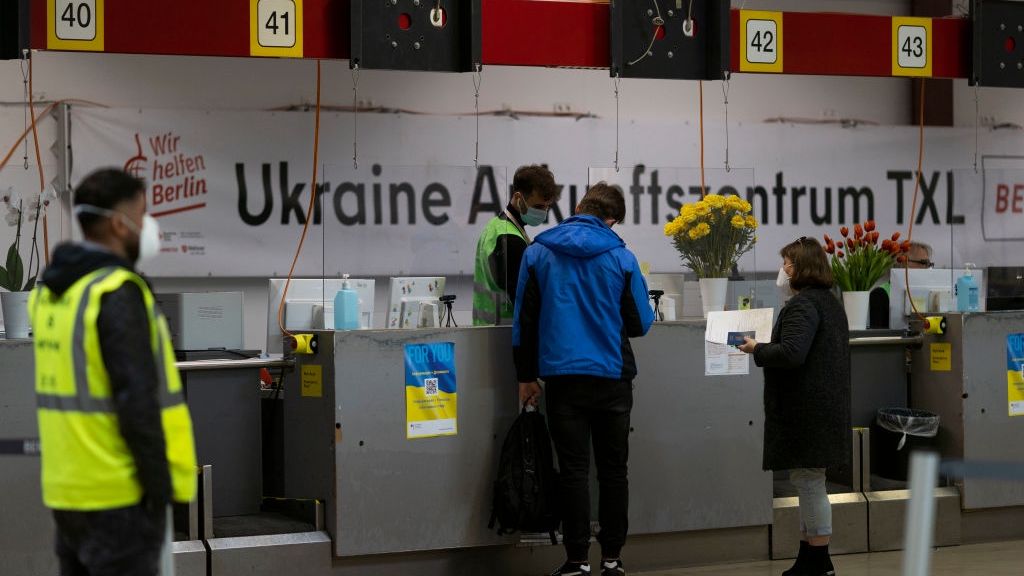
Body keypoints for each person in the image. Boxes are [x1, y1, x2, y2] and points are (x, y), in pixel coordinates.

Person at [29, 168, 197, 576]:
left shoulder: (54, 292)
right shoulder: (116, 292)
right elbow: (137, 401)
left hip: (68, 492)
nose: (149, 227)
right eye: (143, 214)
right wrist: (160, 491)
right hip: (120, 495)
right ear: (119, 225)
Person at [513, 182, 655, 576]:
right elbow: (641, 323)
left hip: (562, 379)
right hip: (612, 378)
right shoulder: (622, 257)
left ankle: (576, 560)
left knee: (573, 470)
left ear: (577, 207)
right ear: (612, 220)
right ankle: (612, 558)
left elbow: (523, 322)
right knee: (613, 471)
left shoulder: (537, 251)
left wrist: (525, 377)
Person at [738, 237, 851, 576]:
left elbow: (791, 354)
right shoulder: (829, 303)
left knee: (810, 483)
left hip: (806, 412)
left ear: (802, 267)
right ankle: (807, 558)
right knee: (807, 481)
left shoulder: (803, 306)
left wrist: (757, 348)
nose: (783, 269)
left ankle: (820, 562)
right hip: (821, 409)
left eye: (787, 263)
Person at [473, 164, 560, 326]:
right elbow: (524, 301)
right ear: (518, 198)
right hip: (504, 333)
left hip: (487, 331)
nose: (544, 212)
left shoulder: (496, 227)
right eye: (539, 206)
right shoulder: (510, 239)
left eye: (547, 207)